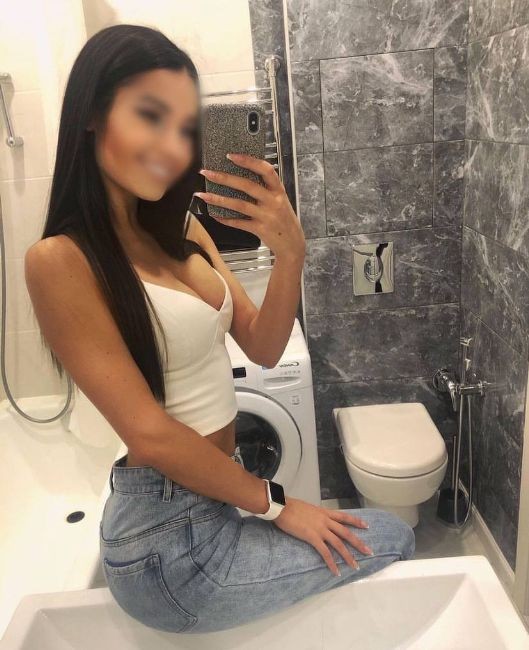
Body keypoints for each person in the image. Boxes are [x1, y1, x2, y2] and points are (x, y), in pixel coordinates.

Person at [24, 24, 415, 635]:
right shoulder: (60, 260)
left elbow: (263, 345)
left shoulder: (184, 230)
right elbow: (151, 435)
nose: (172, 146)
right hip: (164, 542)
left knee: (375, 538)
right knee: (391, 537)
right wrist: (278, 505)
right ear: (93, 114)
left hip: (216, 500)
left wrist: (291, 253)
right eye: (150, 115)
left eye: (185, 128)